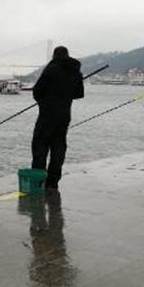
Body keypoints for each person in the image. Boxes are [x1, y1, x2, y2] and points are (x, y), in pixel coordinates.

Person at [31, 46, 84, 189]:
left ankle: (38, 181)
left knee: (40, 147)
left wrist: (44, 102)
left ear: (54, 56)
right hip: (64, 116)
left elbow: (37, 91)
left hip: (47, 115)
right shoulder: (75, 70)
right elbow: (78, 94)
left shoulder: (52, 68)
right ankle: (53, 182)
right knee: (59, 147)